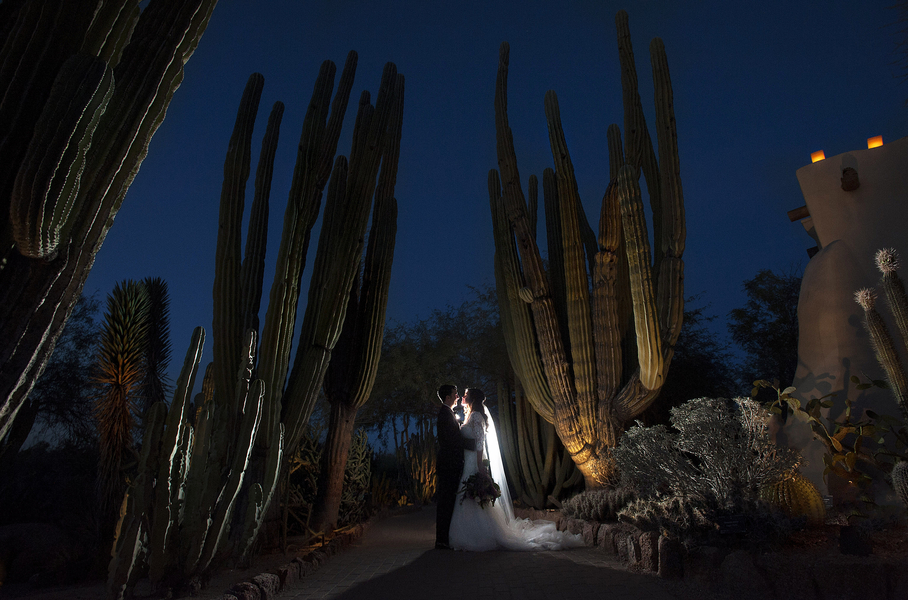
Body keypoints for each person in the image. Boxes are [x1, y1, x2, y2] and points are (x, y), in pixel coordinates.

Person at [448, 388, 583, 551]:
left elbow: (479, 443)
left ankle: (479, 535)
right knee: (470, 497)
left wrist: (480, 466)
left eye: (466, 395)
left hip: (474, 463)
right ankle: (470, 533)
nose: (463, 396)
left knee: (474, 498)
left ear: (472, 399)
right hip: (468, 463)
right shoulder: (471, 415)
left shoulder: (476, 416)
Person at [435, 384, 475, 550]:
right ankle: (442, 540)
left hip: (450, 464)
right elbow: (453, 440)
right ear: (448, 397)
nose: (458, 396)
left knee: (449, 501)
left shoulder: (447, 413)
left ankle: (444, 539)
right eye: (455, 394)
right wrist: (475, 445)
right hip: (448, 465)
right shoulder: (445, 415)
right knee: (446, 501)